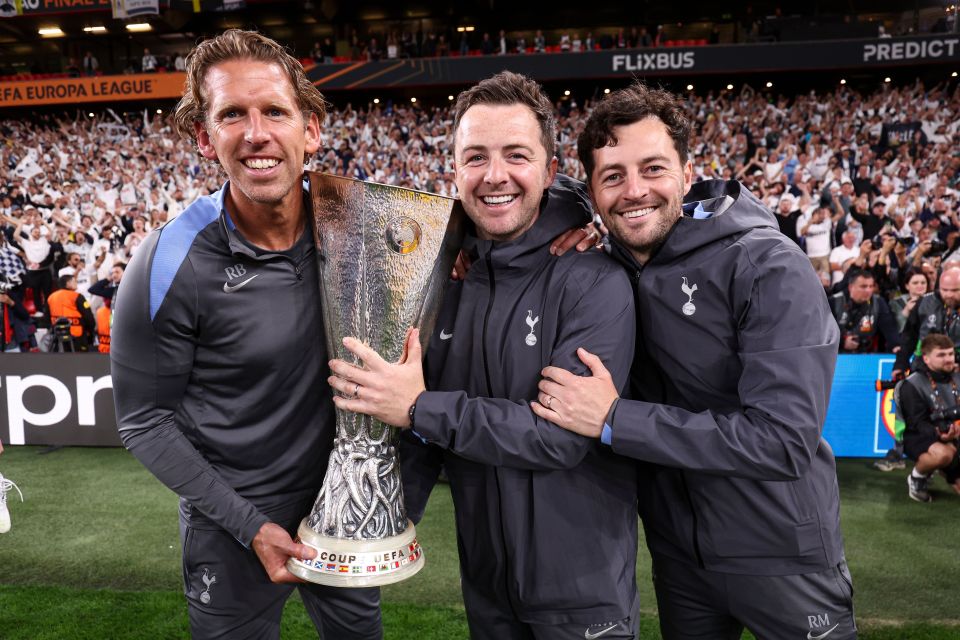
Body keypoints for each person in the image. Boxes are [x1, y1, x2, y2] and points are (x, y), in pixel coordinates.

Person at [535, 83, 856, 640]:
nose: (634, 190)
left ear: (687, 174)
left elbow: (782, 441)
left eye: (653, 169)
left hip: (784, 553)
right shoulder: (609, 261)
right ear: (593, 192)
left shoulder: (768, 264)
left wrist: (614, 419)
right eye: (613, 176)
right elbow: (525, 196)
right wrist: (469, 250)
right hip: (678, 557)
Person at [326, 71, 640, 639]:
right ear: (454, 172)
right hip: (487, 591)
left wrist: (420, 408)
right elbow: (420, 439)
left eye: (516, 155)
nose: (495, 175)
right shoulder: (446, 281)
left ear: (550, 171)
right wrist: (371, 520)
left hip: (584, 597)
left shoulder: (594, 279)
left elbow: (559, 437)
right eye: (476, 157)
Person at [111, 30, 381, 640]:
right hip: (230, 527)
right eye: (233, 114)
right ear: (205, 138)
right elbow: (144, 422)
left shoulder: (360, 226)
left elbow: (490, 216)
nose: (256, 133)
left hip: (343, 512)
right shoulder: (167, 260)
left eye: (275, 112)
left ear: (310, 129)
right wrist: (249, 526)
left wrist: (570, 215)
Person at [898, 333, 960, 502]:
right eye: (941, 355)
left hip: (954, 436)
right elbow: (916, 423)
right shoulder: (912, 384)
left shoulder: (957, 376)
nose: (948, 359)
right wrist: (941, 435)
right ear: (926, 359)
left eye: (950, 353)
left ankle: (946, 469)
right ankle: (917, 477)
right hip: (919, 436)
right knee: (944, 454)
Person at [829, 269, 900, 353]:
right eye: (863, 286)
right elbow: (822, 332)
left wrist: (896, 345)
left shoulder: (878, 302)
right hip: (836, 354)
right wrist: (842, 342)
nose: (868, 290)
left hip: (866, 354)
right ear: (851, 287)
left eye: (871, 286)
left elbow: (889, 328)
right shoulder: (833, 302)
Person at [46, 273, 95, 351]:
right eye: (74, 281)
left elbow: (47, 317)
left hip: (57, 335)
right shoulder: (77, 296)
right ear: (68, 283)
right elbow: (88, 317)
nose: (76, 283)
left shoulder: (51, 297)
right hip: (76, 335)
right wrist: (91, 330)